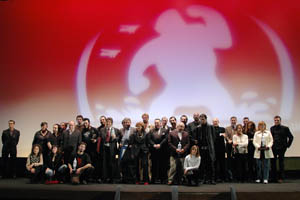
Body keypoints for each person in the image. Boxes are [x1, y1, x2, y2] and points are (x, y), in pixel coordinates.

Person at [270, 115, 294, 183]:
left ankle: (281, 177)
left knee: (281, 163)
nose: (276, 121)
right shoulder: (272, 128)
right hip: (274, 147)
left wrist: (287, 145)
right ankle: (274, 177)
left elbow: (291, 137)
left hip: (282, 148)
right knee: (273, 163)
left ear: (280, 121)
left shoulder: (285, 128)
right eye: (275, 120)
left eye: (277, 120)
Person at [196, 114, 216, 184]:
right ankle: (203, 179)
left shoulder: (211, 126)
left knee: (211, 165)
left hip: (209, 149)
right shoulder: (198, 127)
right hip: (201, 149)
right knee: (202, 165)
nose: (202, 120)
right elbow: (198, 138)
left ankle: (212, 179)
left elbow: (214, 137)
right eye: (200, 119)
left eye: (203, 119)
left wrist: (211, 146)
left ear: (206, 119)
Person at [148, 119, 168, 184]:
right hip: (154, 151)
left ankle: (162, 180)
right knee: (154, 166)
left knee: (162, 166)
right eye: (155, 123)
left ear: (161, 123)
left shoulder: (165, 130)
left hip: (162, 151)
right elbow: (149, 139)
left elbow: (166, 138)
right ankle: (153, 179)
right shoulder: (151, 131)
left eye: (158, 123)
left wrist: (160, 144)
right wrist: (153, 145)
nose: (157, 124)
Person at [100, 117, 120, 183]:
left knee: (112, 163)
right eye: (107, 122)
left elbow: (118, 138)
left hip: (113, 149)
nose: (108, 123)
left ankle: (112, 178)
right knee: (104, 164)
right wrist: (109, 135)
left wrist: (115, 138)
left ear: (111, 123)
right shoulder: (102, 129)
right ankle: (105, 178)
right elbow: (103, 137)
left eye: (109, 122)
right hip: (105, 148)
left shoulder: (116, 130)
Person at [119, 118, 136, 183]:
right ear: (123, 124)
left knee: (130, 164)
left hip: (131, 149)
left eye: (127, 122)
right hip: (123, 148)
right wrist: (120, 143)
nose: (126, 123)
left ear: (130, 123)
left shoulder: (134, 129)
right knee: (123, 164)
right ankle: (124, 179)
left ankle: (131, 179)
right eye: (125, 122)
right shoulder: (120, 130)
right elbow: (119, 139)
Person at [81, 118, 99, 182]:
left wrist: (95, 140)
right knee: (87, 164)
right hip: (86, 151)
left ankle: (94, 178)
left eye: (86, 123)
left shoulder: (94, 129)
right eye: (84, 123)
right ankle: (87, 178)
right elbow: (82, 140)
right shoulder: (82, 131)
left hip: (93, 150)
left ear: (89, 123)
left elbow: (99, 137)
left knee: (94, 163)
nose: (85, 124)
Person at [212, 118, 226, 182]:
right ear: (212, 122)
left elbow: (223, 136)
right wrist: (219, 135)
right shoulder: (210, 129)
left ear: (218, 122)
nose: (215, 122)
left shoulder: (222, 129)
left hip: (221, 149)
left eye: (216, 121)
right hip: (213, 148)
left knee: (222, 164)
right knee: (214, 164)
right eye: (214, 121)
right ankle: (215, 178)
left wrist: (219, 135)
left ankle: (222, 178)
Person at [225, 116, 237, 181]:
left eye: (234, 120)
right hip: (229, 146)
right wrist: (229, 140)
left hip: (236, 146)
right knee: (229, 162)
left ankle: (236, 176)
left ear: (236, 121)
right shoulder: (227, 128)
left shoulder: (238, 128)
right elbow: (226, 136)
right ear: (230, 121)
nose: (233, 121)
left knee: (236, 162)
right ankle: (230, 176)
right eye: (232, 120)